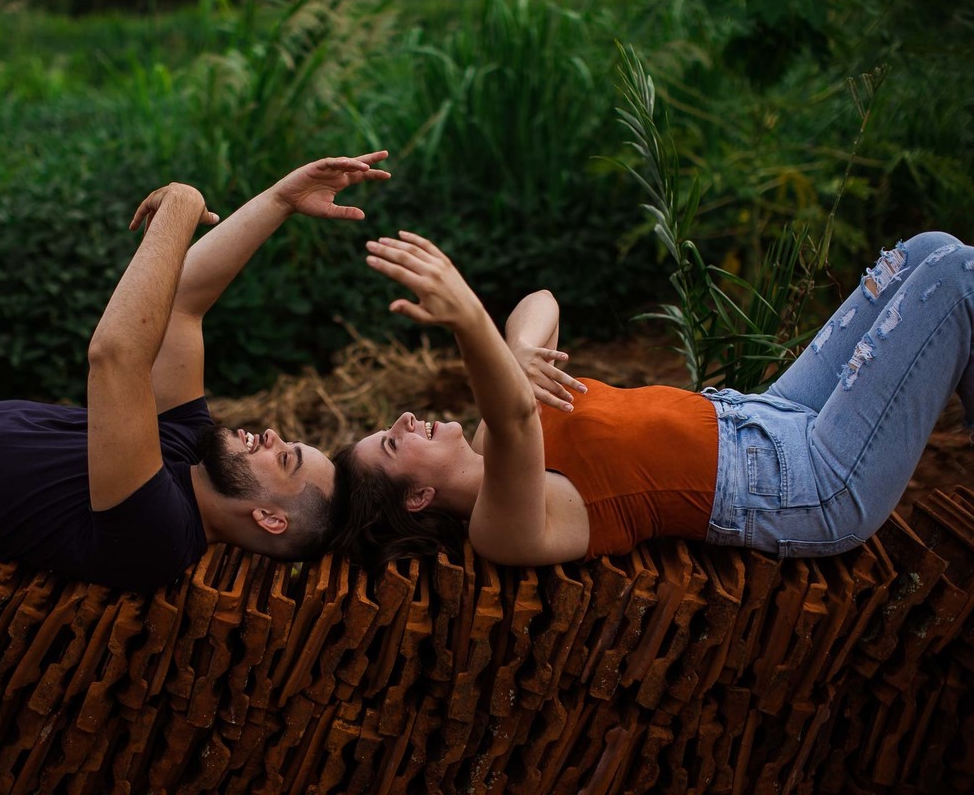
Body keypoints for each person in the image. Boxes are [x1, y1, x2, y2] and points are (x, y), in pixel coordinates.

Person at [0, 151, 391, 595]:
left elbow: (116, 357)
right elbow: (182, 303)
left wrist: (180, 204)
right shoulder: (184, 446)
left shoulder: (160, 536)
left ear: (270, 520)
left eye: (286, 459)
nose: (275, 437)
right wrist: (279, 200)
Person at [330, 230, 974, 569]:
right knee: (956, 278)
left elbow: (542, 302)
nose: (404, 420)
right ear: (417, 498)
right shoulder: (500, 529)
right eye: (392, 442)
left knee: (929, 251)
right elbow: (517, 416)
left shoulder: (489, 434)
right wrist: (468, 318)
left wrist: (519, 352)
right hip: (808, 486)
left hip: (767, 414)